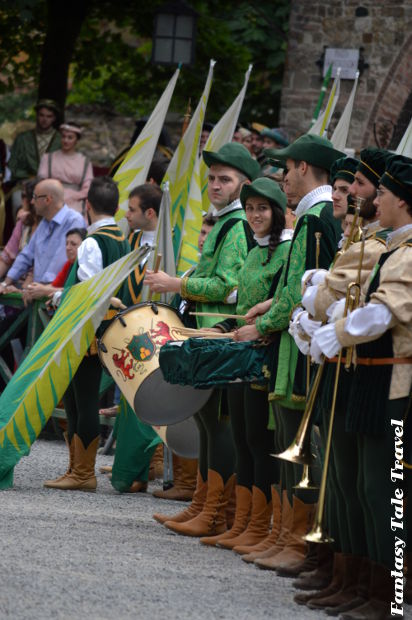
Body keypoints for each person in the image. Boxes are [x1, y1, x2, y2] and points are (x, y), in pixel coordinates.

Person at [290, 149, 396, 613]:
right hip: (358, 371)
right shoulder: (373, 242)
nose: (349, 192)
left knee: (374, 489)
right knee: (348, 481)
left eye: (361, 185)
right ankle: (351, 578)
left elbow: (371, 309)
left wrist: (328, 321)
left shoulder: (388, 249)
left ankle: (380, 590)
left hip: (380, 379)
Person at [309, 153, 412, 620]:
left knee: (382, 491)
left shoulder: (408, 254)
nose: (377, 199)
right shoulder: (395, 247)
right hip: (376, 378)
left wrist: (339, 330)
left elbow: (387, 310)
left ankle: (386, 597)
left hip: (396, 383)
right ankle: (364, 586)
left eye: (385, 194)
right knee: (368, 487)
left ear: (404, 203)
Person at [235, 134, 342, 575]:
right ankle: (281, 533)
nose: (282, 179)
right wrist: (268, 305)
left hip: (300, 349)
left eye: (286, 169)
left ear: (303, 167)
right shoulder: (314, 215)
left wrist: (262, 323)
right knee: (284, 446)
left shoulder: (316, 218)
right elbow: (293, 284)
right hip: (292, 340)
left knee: (298, 448)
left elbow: (306, 289)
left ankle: (295, 540)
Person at [147, 142, 260, 536]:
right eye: (211, 178)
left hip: (223, 335)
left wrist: (176, 282)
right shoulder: (225, 222)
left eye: (224, 179)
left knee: (218, 425)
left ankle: (216, 512)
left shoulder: (236, 227)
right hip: (206, 335)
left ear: (244, 185)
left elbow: (229, 288)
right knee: (207, 422)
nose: (214, 185)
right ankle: (202, 504)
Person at [198, 177, 292, 554]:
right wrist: (225, 327)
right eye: (251, 208)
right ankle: (241, 524)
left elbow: (282, 302)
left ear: (278, 213)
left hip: (265, 357)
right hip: (242, 353)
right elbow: (242, 309)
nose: (255, 215)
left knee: (258, 439)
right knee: (241, 438)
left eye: (263, 209)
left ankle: (259, 527)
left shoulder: (286, 252)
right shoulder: (253, 251)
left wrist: (258, 328)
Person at [43, 176, 130, 492]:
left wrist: (57, 297)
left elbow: (87, 292)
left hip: (85, 332)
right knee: (83, 398)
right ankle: (77, 469)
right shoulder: (121, 238)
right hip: (105, 329)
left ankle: (82, 473)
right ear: (117, 207)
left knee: (81, 400)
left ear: (88, 206)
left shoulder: (93, 242)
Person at [0, 179, 84, 293]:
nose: (32, 202)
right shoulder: (45, 221)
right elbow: (26, 255)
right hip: (37, 292)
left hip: (54, 296)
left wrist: (36, 289)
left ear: (48, 199)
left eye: (35, 197)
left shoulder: (74, 221)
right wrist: (5, 283)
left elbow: (59, 264)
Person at [8, 100, 61, 209]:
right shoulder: (23, 138)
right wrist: (26, 178)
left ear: (54, 118)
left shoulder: (61, 140)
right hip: (25, 184)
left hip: (52, 185)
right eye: (41, 115)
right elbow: (12, 165)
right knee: (18, 203)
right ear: (37, 116)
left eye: (49, 116)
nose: (44, 119)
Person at [38, 122, 94, 216]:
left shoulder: (84, 162)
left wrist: (73, 195)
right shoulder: (48, 158)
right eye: (63, 136)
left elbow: (88, 187)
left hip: (75, 201)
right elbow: (41, 182)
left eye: (70, 137)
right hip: (51, 197)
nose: (66, 140)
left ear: (76, 140)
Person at [22, 227, 87, 301]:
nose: (68, 248)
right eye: (66, 244)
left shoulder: (85, 266)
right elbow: (54, 285)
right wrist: (33, 289)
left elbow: (76, 291)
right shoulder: (69, 264)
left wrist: (44, 291)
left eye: (73, 244)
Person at [0, 178, 39, 280]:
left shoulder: (50, 226)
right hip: (17, 280)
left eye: (24, 196)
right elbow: (7, 257)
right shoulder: (24, 222)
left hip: (38, 285)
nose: (22, 200)